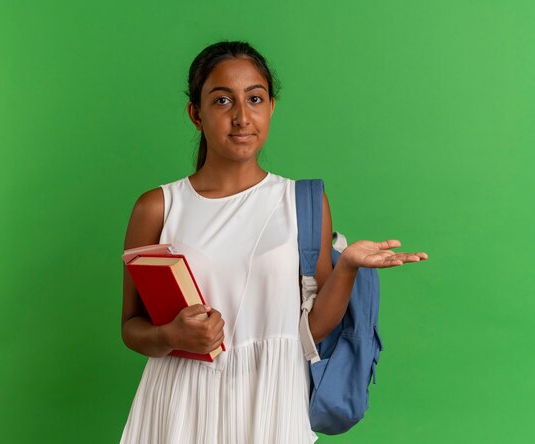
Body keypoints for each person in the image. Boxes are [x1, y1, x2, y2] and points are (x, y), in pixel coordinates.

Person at [120, 41, 428, 444]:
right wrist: (169, 337)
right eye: (222, 101)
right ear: (196, 114)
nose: (242, 117)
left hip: (272, 401)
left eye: (255, 98)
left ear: (271, 106)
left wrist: (348, 266)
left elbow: (312, 329)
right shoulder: (157, 207)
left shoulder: (303, 202)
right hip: (182, 403)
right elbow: (131, 327)